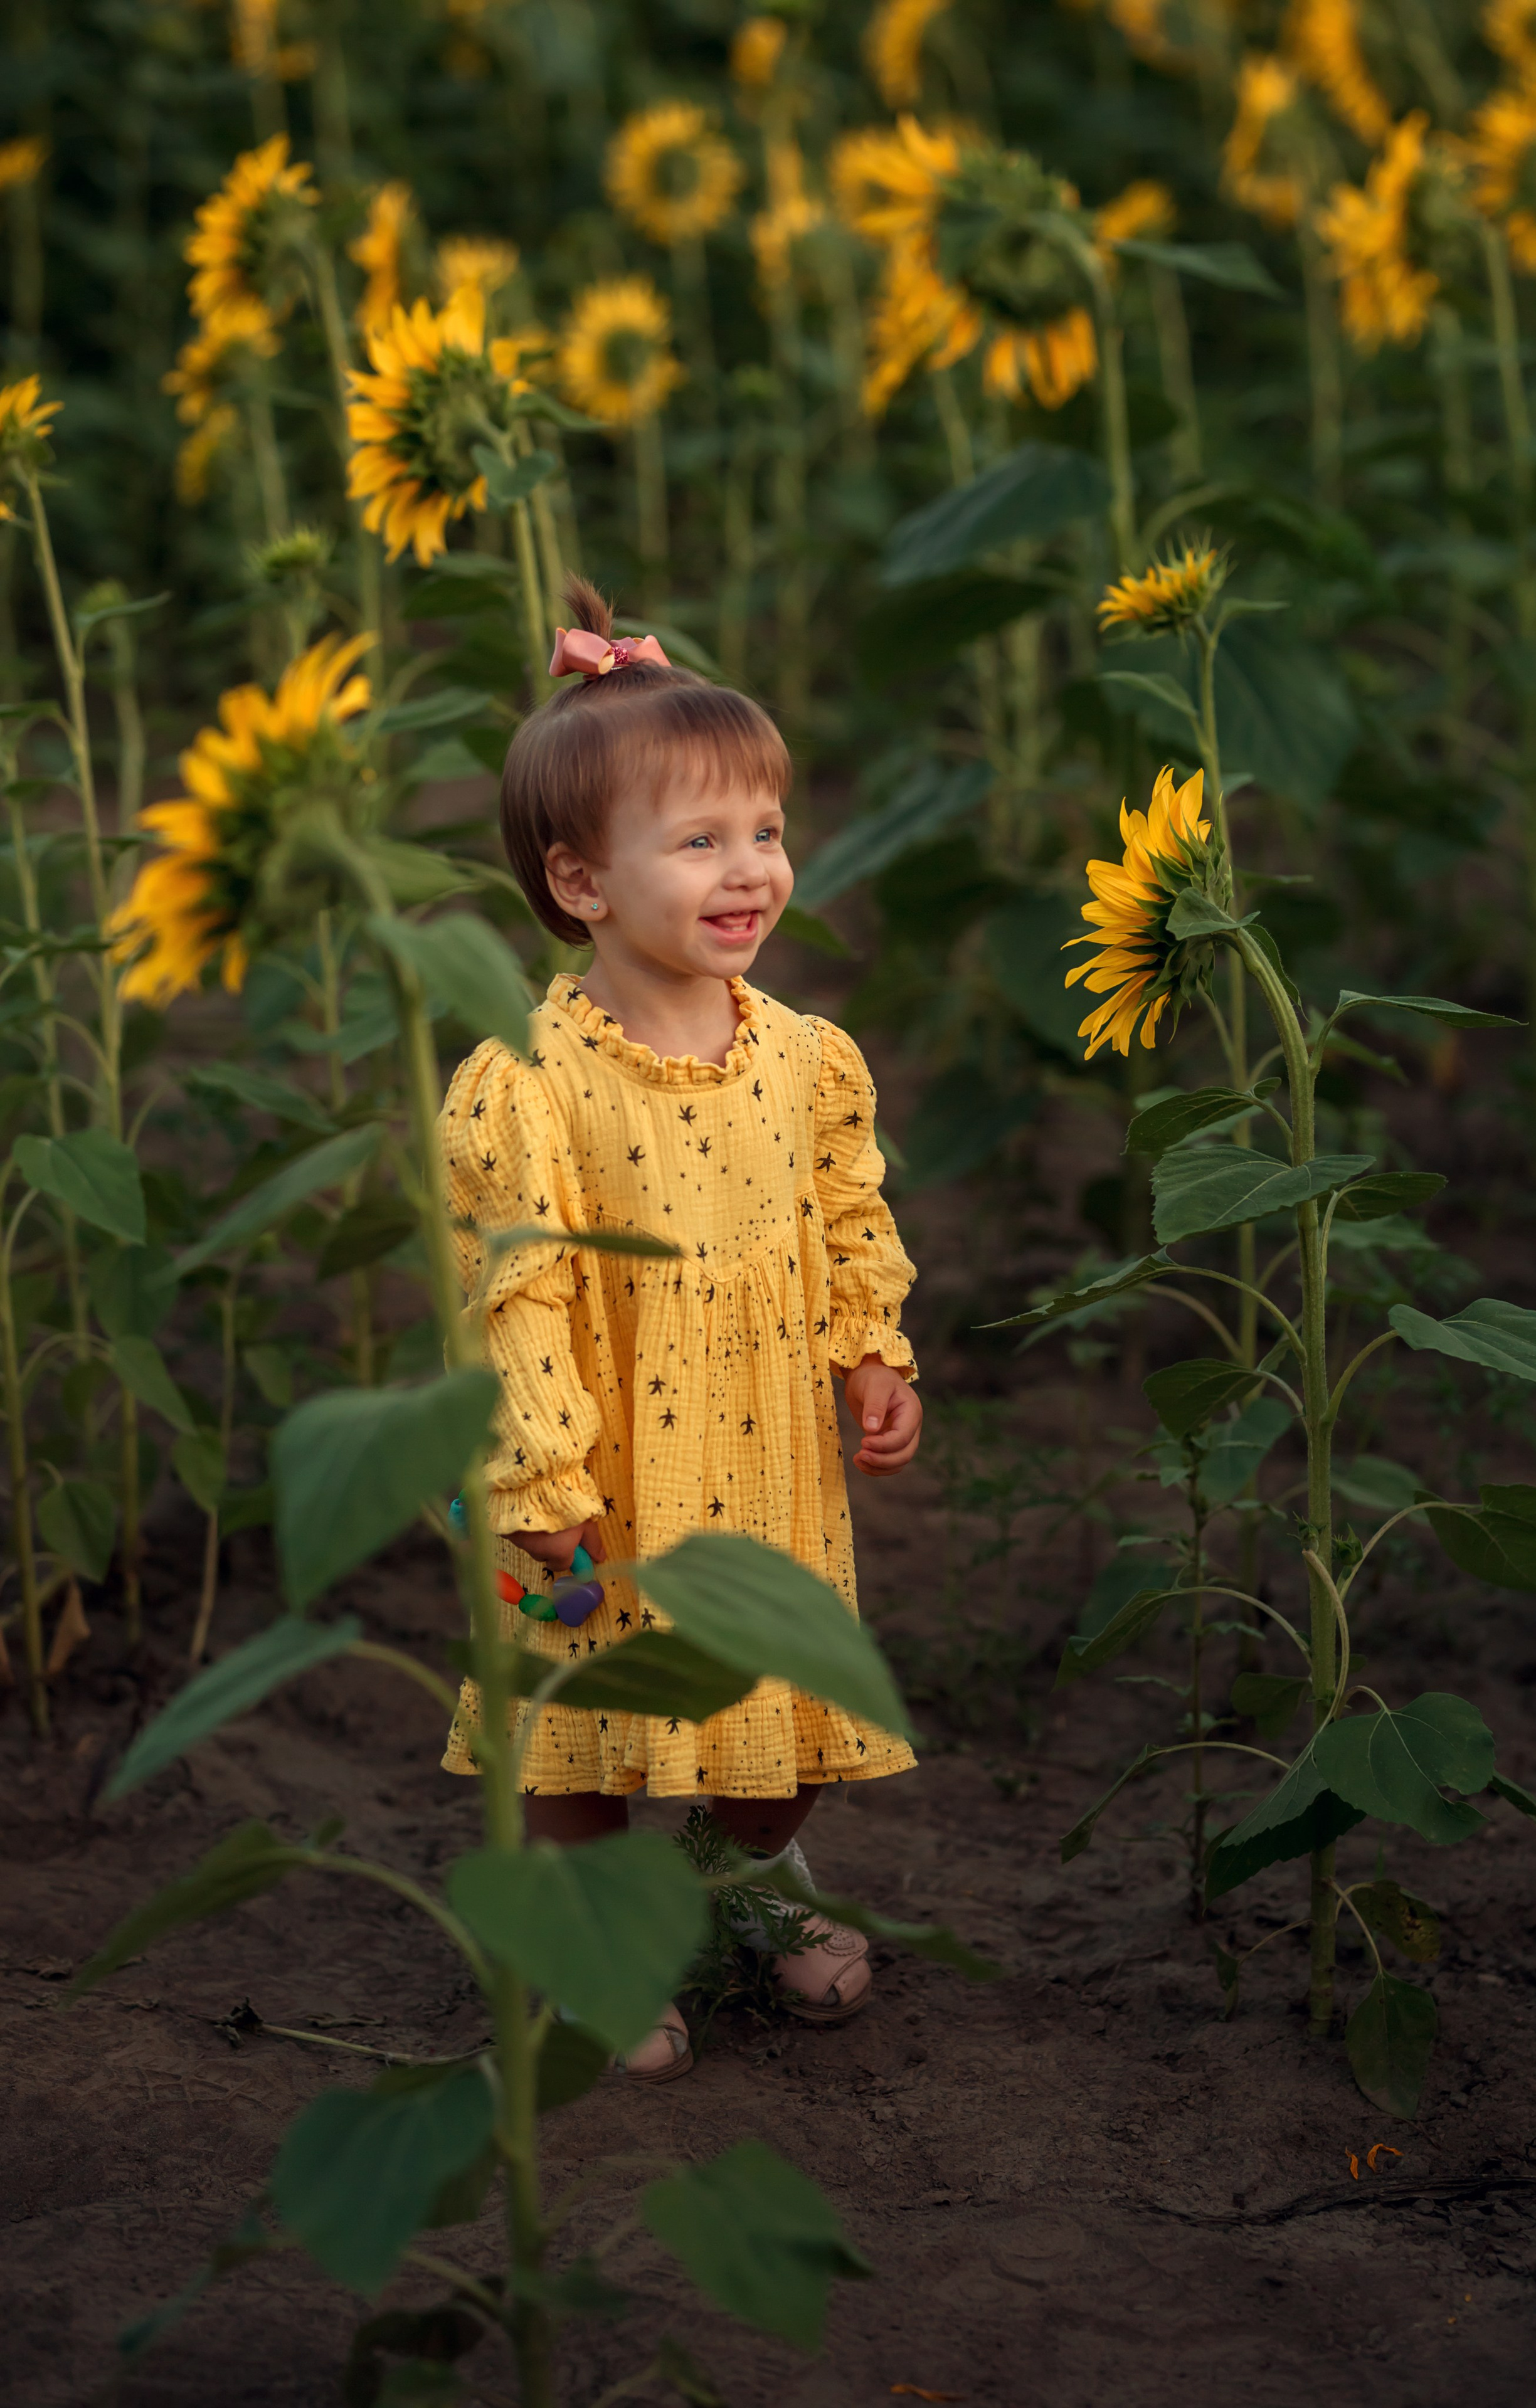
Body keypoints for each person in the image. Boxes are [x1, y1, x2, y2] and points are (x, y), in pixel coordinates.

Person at [438, 578, 923, 2081]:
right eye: (698, 840)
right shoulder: (526, 1082)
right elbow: (509, 1290)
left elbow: (845, 1205)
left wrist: (869, 1344)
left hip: (766, 1462)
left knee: (782, 1701)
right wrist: (536, 1495)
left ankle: (746, 1887)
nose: (750, 869)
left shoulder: (804, 1058)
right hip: (596, 1480)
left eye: (765, 831)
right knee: (574, 1733)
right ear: (580, 886)